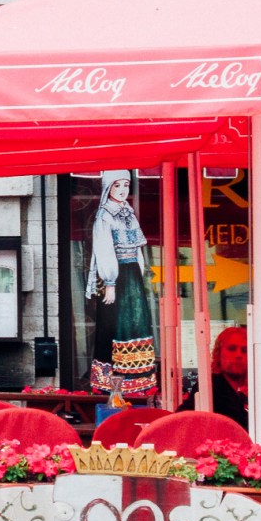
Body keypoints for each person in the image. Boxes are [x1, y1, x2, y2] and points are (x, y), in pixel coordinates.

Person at [86, 169, 158, 398]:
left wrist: (140, 272)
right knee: (114, 328)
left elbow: (137, 249)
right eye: (117, 185)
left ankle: (135, 385)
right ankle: (113, 390)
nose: (122, 190)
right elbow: (104, 249)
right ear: (108, 188)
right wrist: (110, 281)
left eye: (126, 185)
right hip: (116, 277)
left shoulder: (128, 212)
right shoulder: (104, 216)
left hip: (131, 277)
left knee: (135, 325)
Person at [179, 325, 248, 428]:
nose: (238, 355)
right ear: (218, 354)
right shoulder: (211, 388)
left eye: (244, 350)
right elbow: (180, 419)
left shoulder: (241, 397)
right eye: (232, 349)